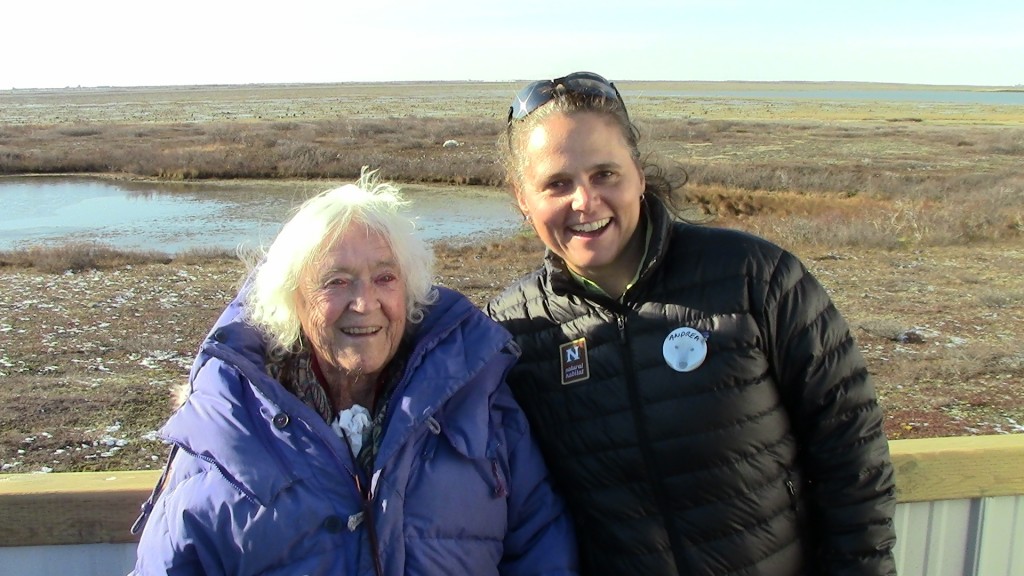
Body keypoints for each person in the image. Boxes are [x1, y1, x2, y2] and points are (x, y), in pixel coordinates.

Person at [485, 72, 897, 575]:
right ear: (523, 199)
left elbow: (850, 448)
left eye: (604, 174)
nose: (584, 201)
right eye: (557, 183)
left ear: (638, 173)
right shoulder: (514, 328)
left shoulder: (753, 277)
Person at [130, 169, 578, 576]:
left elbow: (541, 549)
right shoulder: (229, 428)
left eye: (386, 278)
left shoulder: (477, 401)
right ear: (292, 298)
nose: (364, 303)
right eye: (336, 281)